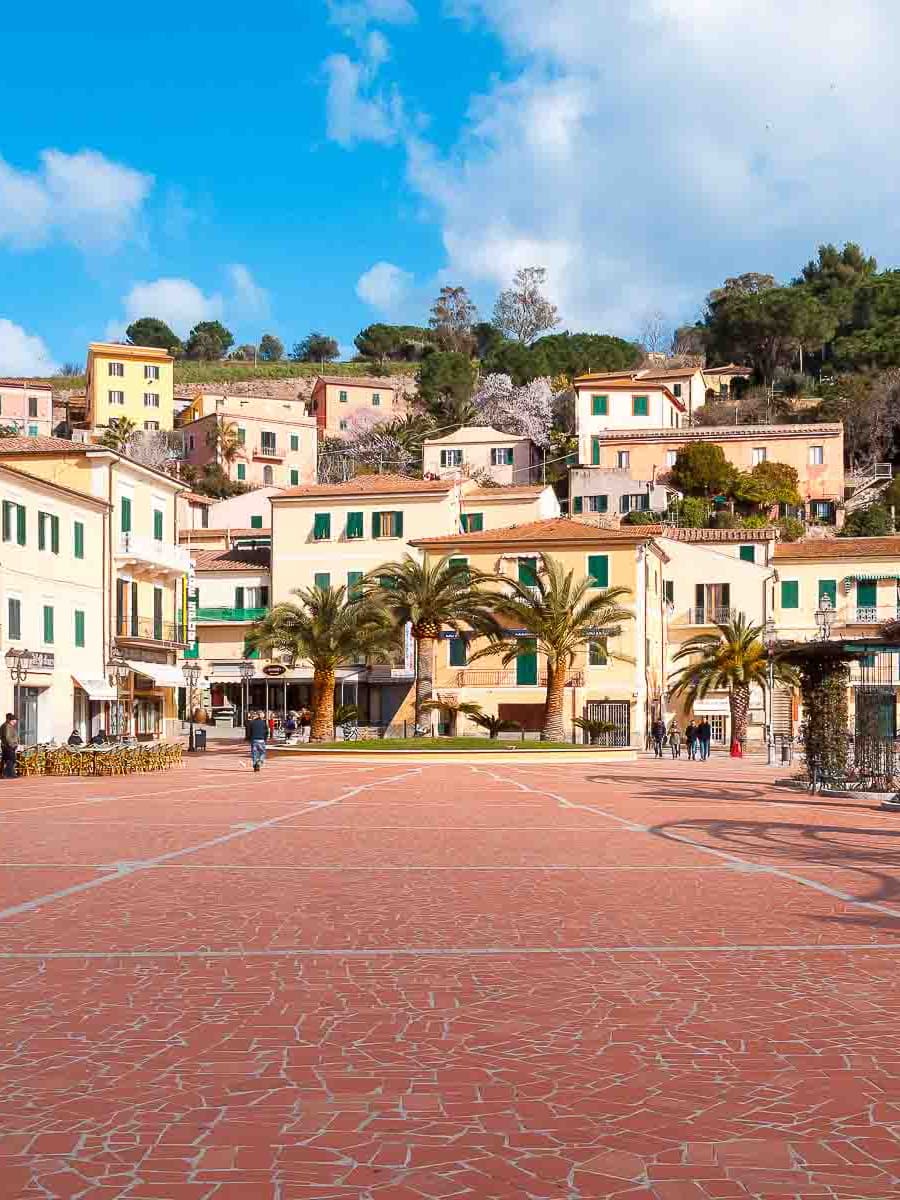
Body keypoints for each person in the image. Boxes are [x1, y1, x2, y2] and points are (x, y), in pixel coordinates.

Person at [0, 713, 19, 779]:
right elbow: (7, 737)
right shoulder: (7, 726)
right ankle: (7, 774)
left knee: (7, 760)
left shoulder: (5, 725)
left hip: (6, 745)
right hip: (9, 746)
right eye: (15, 720)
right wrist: (12, 745)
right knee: (11, 759)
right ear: (11, 720)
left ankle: (10, 773)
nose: (15, 722)